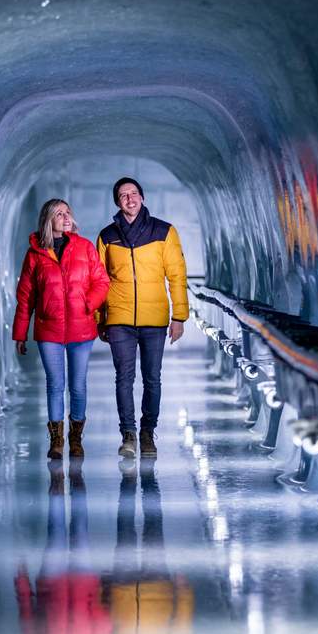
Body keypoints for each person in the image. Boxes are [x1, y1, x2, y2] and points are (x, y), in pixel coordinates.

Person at [95, 177, 189, 458]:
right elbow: (99, 280)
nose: (129, 199)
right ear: (117, 202)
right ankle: (128, 434)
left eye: (134, 193)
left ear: (143, 198)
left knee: (152, 378)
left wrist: (179, 316)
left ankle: (148, 432)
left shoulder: (164, 232)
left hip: (154, 318)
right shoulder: (107, 236)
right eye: (123, 195)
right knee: (123, 378)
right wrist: (101, 317)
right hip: (120, 316)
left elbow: (176, 275)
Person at [13, 198, 110, 459]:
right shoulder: (35, 253)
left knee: (77, 385)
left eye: (68, 212)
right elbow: (26, 296)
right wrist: (20, 334)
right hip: (49, 329)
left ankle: (76, 438)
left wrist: (88, 304)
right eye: (59, 214)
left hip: (81, 327)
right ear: (48, 220)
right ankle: (56, 441)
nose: (66, 217)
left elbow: (102, 281)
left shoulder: (84, 247)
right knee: (55, 384)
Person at [14, 462, 110, 634]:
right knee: (79, 531)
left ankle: (57, 484)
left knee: (56, 532)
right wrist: (98, 599)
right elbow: (103, 627)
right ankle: (77, 484)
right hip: (84, 585)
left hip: (51, 584)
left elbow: (28, 619)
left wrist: (22, 583)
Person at [104, 465, 194, 634]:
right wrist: (184, 594)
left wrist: (103, 590)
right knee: (154, 526)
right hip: (158, 593)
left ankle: (131, 478)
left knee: (124, 524)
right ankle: (149, 479)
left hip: (121, 587)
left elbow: (102, 633)